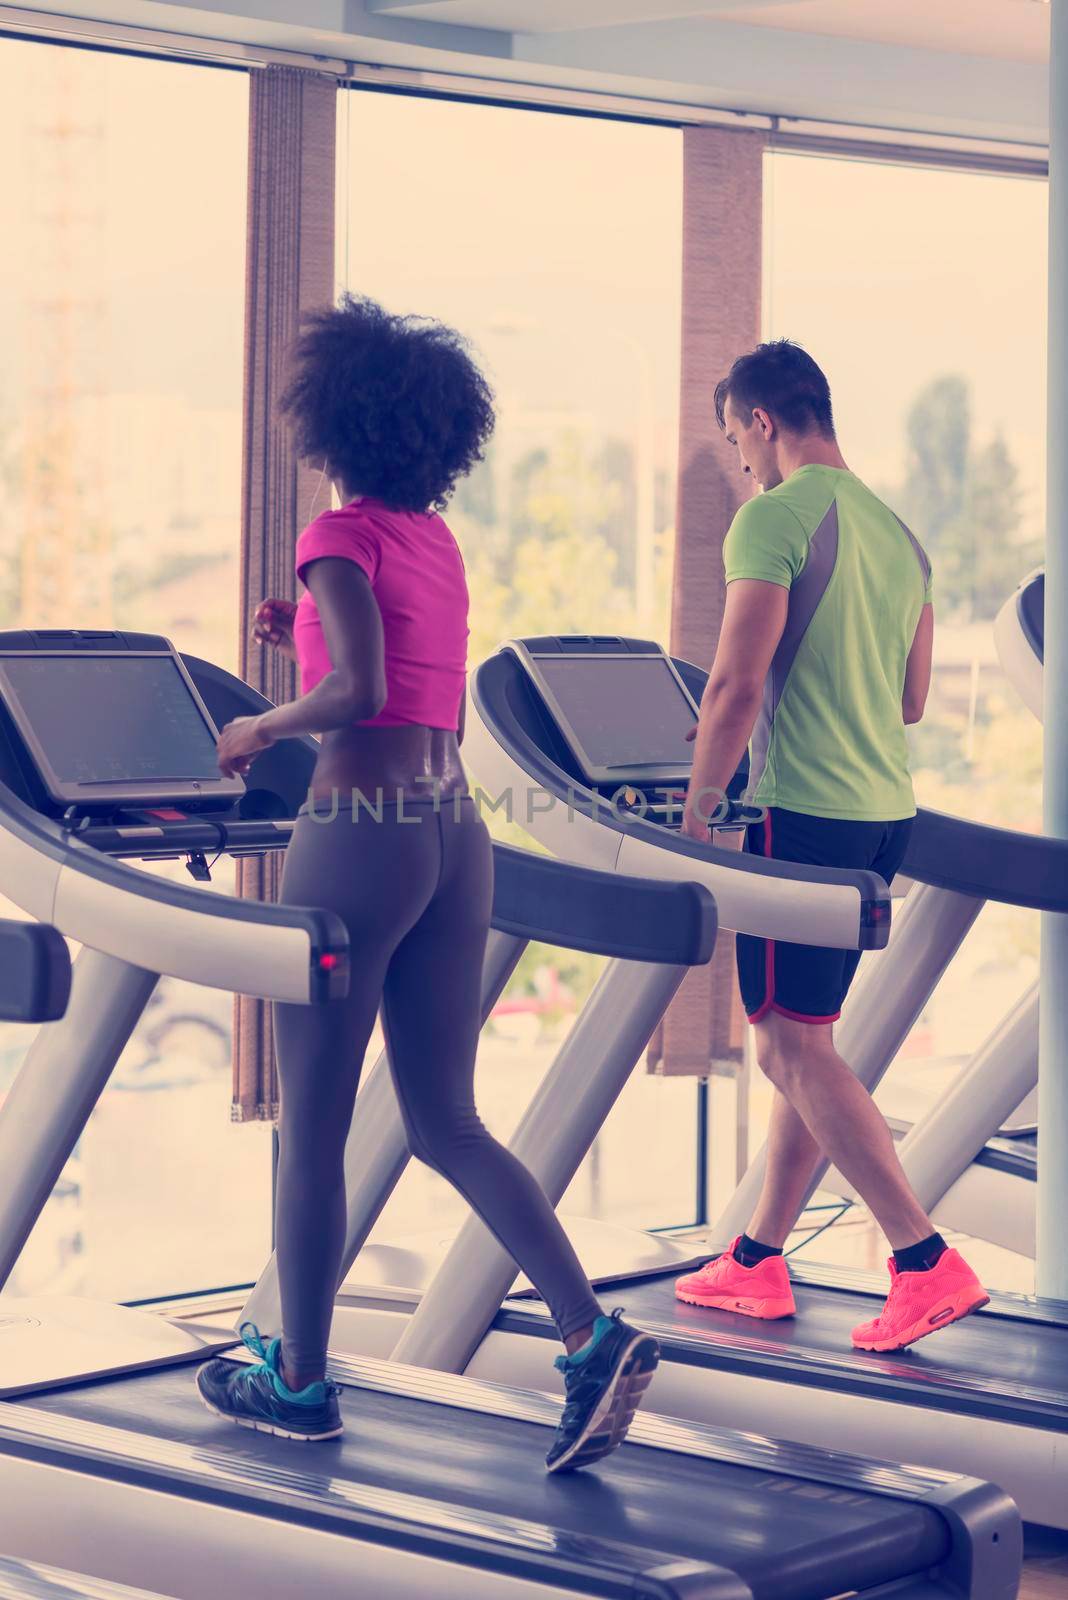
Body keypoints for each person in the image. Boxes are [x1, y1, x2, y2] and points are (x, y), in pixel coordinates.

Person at [194, 293, 658, 1470]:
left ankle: (297, 1378)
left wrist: (257, 728)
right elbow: (393, 662)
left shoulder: (336, 536)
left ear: (331, 419)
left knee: (314, 1129)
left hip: (359, 827)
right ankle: (589, 1330)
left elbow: (353, 695)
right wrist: (293, 627)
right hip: (452, 828)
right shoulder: (429, 540)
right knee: (448, 1117)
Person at [673, 339, 989, 1353]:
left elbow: (732, 682)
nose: (742, 464)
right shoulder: (901, 536)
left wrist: (696, 808)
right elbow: (909, 700)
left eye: (737, 442)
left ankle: (922, 1258)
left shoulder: (773, 517)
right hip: (879, 810)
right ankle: (760, 1258)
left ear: (763, 421)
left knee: (788, 1044)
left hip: (796, 813)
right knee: (807, 1040)